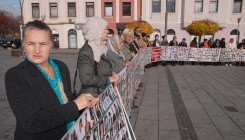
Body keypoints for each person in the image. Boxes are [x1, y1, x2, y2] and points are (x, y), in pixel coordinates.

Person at [5, 20, 95, 140]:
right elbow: (33, 122)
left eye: (43, 44)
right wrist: (75, 105)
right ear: (24, 46)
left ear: (51, 46)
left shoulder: (61, 67)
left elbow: (63, 100)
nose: (37, 50)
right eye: (31, 44)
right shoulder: (16, 76)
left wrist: (86, 102)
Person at [78, 16, 119, 100]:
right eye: (105, 29)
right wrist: (108, 79)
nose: (107, 31)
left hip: (102, 94)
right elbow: (86, 78)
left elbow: (101, 68)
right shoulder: (87, 51)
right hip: (92, 98)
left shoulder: (100, 47)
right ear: (97, 31)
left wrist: (112, 73)